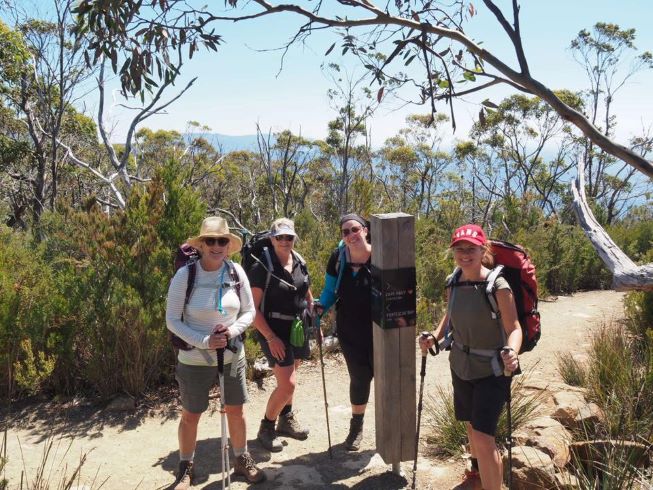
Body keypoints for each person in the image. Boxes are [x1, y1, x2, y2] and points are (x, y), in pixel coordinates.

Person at [419, 224, 521, 490]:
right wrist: (435, 336)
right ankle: (476, 472)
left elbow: (515, 329)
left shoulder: (498, 286)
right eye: (459, 249)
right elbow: (450, 315)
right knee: (470, 425)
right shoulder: (454, 280)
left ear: (482, 249)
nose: (465, 254)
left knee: (485, 439)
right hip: (461, 366)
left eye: (471, 248)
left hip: (493, 370)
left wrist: (511, 352)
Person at [166, 216, 265, 489]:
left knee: (236, 410)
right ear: (201, 244)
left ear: (228, 245)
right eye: (210, 240)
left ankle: (241, 459)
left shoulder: (236, 273)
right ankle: (185, 465)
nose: (216, 246)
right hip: (193, 360)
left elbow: (249, 312)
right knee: (191, 414)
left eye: (222, 241)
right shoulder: (185, 275)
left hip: (232, 356)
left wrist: (230, 333)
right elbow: (172, 320)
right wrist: (204, 340)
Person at [247, 218, 313, 452]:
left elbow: (306, 292)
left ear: (294, 238)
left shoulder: (299, 261)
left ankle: (286, 419)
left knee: (290, 378)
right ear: (272, 239)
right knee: (288, 385)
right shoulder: (261, 268)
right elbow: (252, 309)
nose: (285, 241)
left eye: (289, 237)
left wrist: (314, 322)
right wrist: (270, 338)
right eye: (280, 237)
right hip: (273, 331)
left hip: (298, 328)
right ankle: (267, 427)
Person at [317, 213, 373, 451]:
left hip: (382, 329)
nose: (351, 235)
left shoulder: (383, 255)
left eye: (355, 229)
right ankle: (356, 426)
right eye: (345, 232)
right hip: (350, 328)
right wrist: (318, 310)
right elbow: (330, 291)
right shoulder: (338, 258)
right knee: (359, 378)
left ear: (366, 230)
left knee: (388, 379)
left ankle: (393, 428)